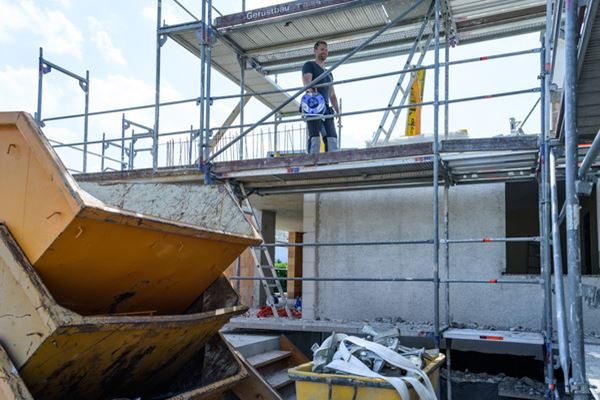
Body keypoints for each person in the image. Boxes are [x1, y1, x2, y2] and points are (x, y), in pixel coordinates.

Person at [302, 40, 341, 153]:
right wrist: (311, 90)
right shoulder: (309, 65)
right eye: (322, 49)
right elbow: (307, 81)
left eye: (326, 50)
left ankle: (333, 161)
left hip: (326, 108)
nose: (324, 51)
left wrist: (338, 111)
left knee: (331, 136)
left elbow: (332, 94)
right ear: (315, 51)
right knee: (315, 136)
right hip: (313, 105)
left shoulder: (329, 73)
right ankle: (312, 163)